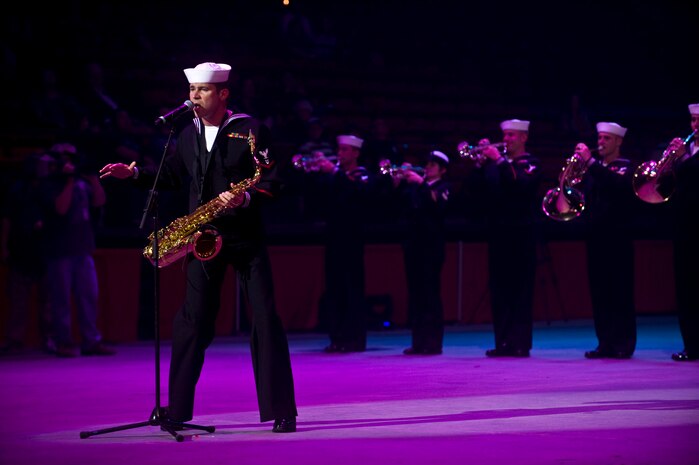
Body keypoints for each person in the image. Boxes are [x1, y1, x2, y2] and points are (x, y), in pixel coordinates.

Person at [99, 62, 298, 432]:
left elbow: (275, 178)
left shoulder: (249, 129)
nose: (194, 96)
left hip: (245, 236)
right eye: (192, 90)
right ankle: (177, 409)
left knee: (265, 318)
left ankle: (282, 409)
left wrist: (246, 198)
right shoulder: (187, 133)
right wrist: (136, 175)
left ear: (223, 94)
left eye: (203, 90)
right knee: (191, 320)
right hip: (203, 236)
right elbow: (173, 174)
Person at [463, 119, 542, 357]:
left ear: (523, 137)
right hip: (498, 232)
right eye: (505, 135)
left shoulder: (530, 163)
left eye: (511, 135)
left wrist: (498, 160)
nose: (506, 139)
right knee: (500, 289)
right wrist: (479, 165)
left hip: (522, 233)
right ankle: (503, 342)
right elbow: (473, 192)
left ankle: (520, 342)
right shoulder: (496, 165)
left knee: (520, 289)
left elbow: (520, 185)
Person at [568, 122, 638, 359]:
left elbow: (617, 186)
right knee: (600, 292)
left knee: (620, 291)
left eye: (607, 138)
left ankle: (623, 343)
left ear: (618, 142)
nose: (601, 142)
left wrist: (590, 163)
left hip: (618, 237)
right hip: (595, 236)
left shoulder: (626, 167)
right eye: (600, 138)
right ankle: (605, 342)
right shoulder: (594, 169)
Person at [41, 142, 115, 358]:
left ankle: (91, 341)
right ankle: (62, 341)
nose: (69, 161)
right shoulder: (51, 183)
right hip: (59, 251)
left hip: (83, 249)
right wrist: (69, 180)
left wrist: (92, 179)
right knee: (61, 299)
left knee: (88, 297)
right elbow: (60, 209)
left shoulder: (83, 183)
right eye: (65, 157)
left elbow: (99, 201)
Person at [309, 134, 371, 353]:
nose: (340, 153)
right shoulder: (334, 176)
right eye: (339, 149)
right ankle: (337, 336)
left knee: (351, 288)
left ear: (355, 153)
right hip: (333, 238)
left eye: (345, 150)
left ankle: (354, 338)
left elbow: (358, 194)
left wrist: (333, 172)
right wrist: (317, 173)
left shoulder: (360, 175)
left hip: (352, 240)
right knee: (334, 288)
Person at [393, 150, 451, 355]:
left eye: (432, 165)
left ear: (442, 170)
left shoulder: (443, 187)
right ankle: (419, 341)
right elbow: (400, 206)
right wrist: (397, 183)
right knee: (416, 294)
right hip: (414, 245)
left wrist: (421, 184)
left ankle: (433, 342)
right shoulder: (416, 188)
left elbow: (438, 205)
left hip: (432, 247)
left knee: (430, 294)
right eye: (426, 164)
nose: (427, 168)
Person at [0, 153, 53, 354]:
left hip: (45, 251)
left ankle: (48, 338)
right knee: (18, 300)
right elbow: (7, 219)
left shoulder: (49, 189)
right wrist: (4, 247)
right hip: (20, 251)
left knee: (47, 300)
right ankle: (15, 339)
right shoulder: (17, 190)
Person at [666, 104, 699, 361]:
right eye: (692, 120)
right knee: (685, 287)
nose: (695, 126)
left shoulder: (690, 156)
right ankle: (691, 344)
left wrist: (683, 159)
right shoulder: (689, 152)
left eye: (698, 120)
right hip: (683, 227)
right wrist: (668, 163)